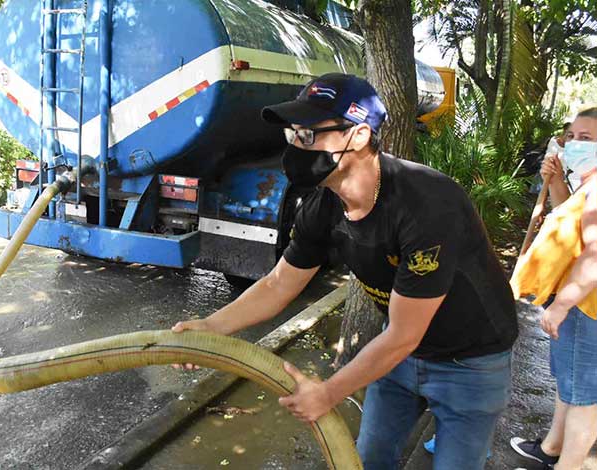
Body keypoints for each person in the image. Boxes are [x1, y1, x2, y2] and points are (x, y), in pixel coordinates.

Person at [172, 73, 519, 469]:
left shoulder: (427, 206)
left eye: (309, 135)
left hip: (471, 363)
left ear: (357, 136)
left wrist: (330, 391)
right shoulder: (323, 207)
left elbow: (405, 334)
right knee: (368, 458)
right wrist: (212, 327)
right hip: (397, 355)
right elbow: (279, 282)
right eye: (293, 135)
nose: (296, 147)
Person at [510, 107, 597, 470]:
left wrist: (561, 305)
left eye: (587, 138)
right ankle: (552, 448)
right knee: (572, 384)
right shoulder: (588, 184)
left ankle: (569, 464)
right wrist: (559, 180)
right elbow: (569, 224)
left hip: (586, 306)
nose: (575, 144)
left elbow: (594, 253)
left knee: (584, 400)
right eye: (572, 137)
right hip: (581, 304)